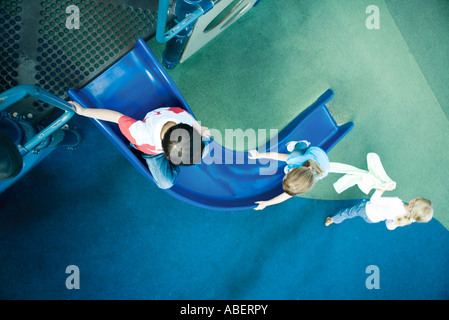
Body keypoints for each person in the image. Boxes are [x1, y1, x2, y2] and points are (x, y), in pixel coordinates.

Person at [68, 101, 210, 189]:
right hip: (152, 150)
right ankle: (181, 156)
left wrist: (202, 131)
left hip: (171, 136)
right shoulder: (141, 135)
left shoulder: (186, 118)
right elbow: (116, 117)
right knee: (165, 184)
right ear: (166, 155)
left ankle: (185, 153)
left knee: (204, 150)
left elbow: (196, 127)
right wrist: (83, 111)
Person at [248, 140, 329, 210]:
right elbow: (275, 156)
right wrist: (258, 155)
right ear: (291, 170)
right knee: (298, 151)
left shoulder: (306, 181)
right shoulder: (296, 160)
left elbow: (286, 196)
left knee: (292, 163)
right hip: (313, 150)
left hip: (322, 164)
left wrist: (267, 203)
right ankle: (302, 143)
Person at [325, 185, 433, 230]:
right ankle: (333, 220)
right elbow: (390, 225)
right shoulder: (408, 218)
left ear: (411, 207)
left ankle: (332, 219)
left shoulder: (396, 202)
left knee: (349, 212)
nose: (416, 197)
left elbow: (374, 200)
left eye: (417, 199)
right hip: (373, 219)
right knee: (352, 213)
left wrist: (382, 189)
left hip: (365, 209)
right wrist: (388, 217)